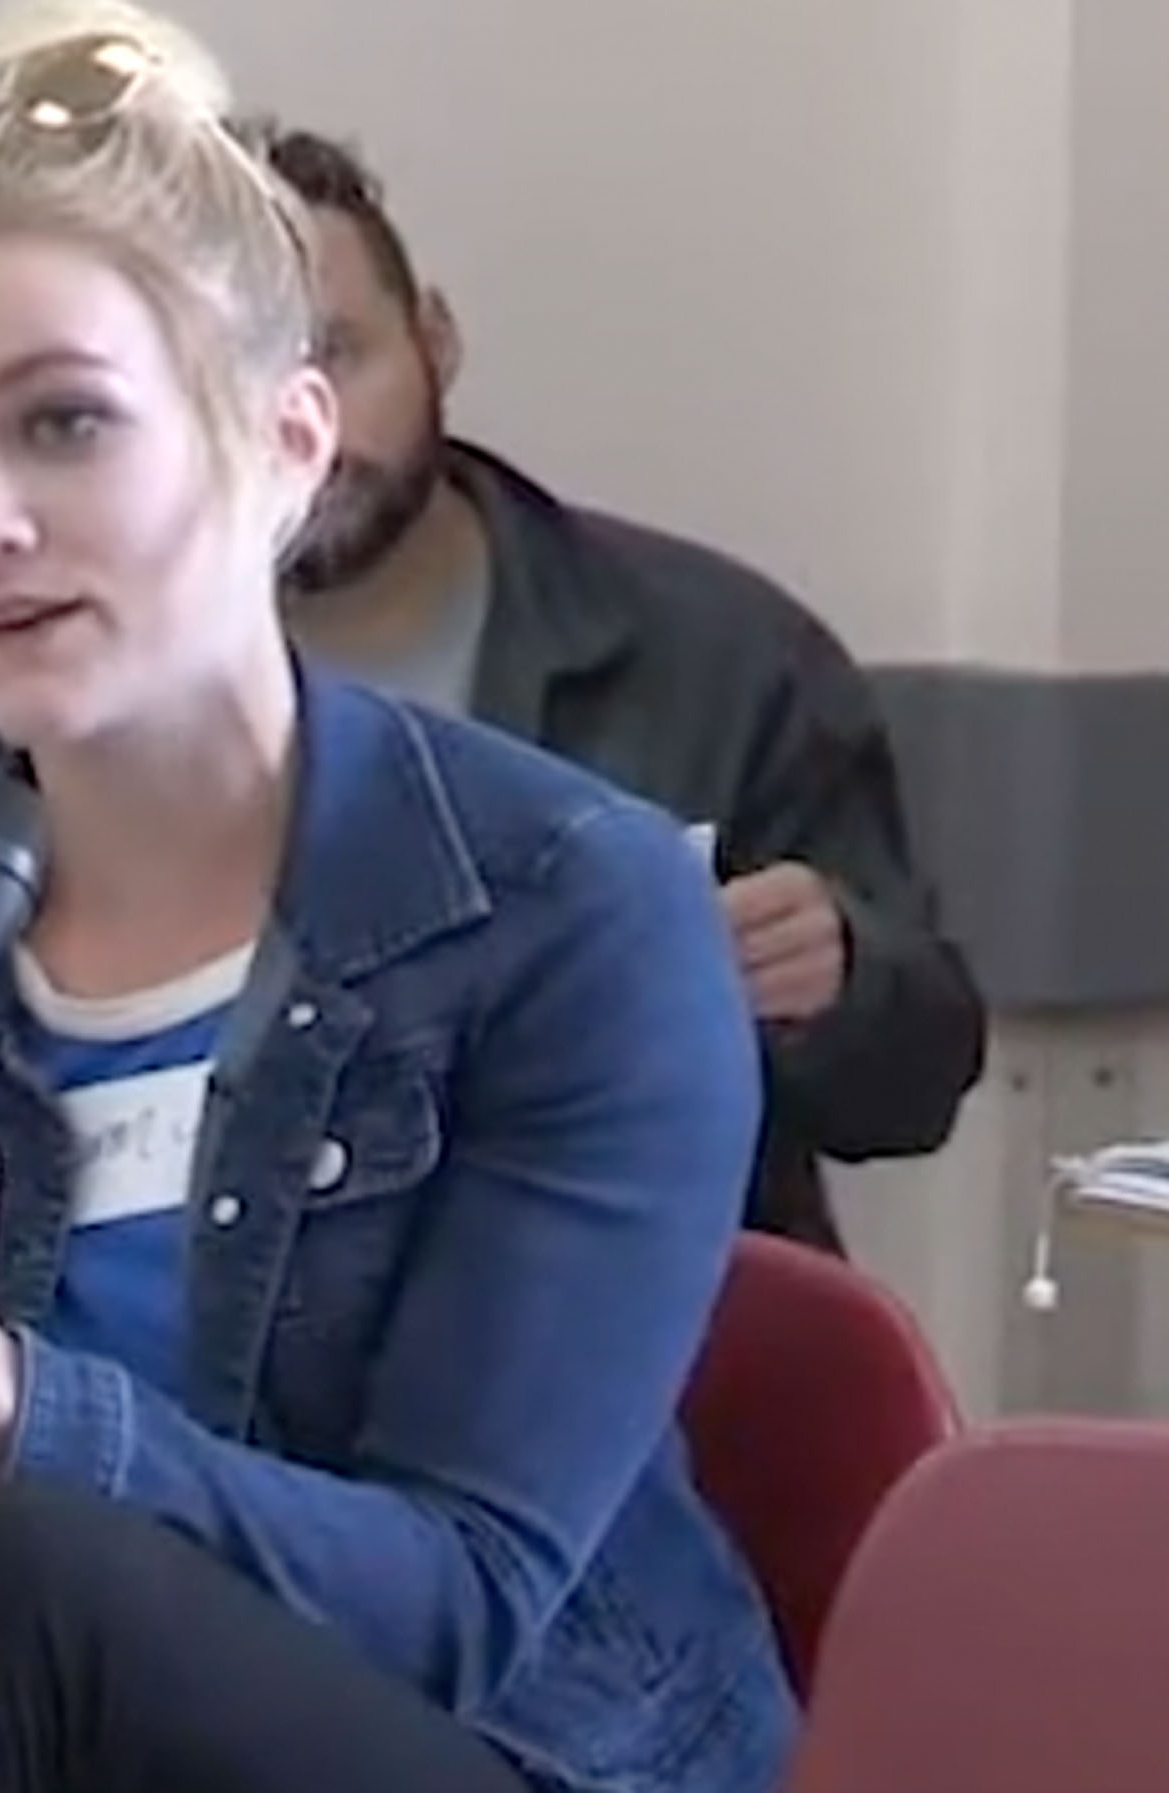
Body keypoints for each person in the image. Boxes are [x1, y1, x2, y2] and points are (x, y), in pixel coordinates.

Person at [0, 7, 795, 1790]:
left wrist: (2, 1402)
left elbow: (460, 1606)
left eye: (65, 424)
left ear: (286, 442)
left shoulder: (575, 909)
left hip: (503, 1752)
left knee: (30, 1574)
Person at [240, 121, 988, 1254]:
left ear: (434, 341)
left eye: (335, 353)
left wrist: (841, 976)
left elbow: (914, 1087)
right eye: (230, 376)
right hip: (232, 1360)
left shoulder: (720, 654)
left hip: (669, 1349)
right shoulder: (81, 687)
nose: (300, 427)